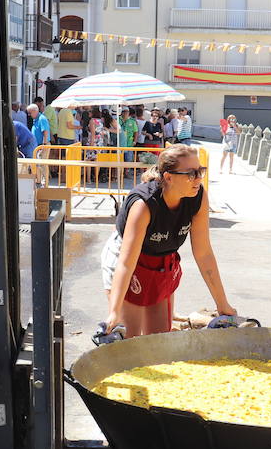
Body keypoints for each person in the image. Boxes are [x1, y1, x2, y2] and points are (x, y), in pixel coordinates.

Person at [101, 144, 237, 337]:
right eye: (191, 173)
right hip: (129, 259)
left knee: (159, 340)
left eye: (201, 171)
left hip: (162, 262)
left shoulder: (197, 195)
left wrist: (223, 305)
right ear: (169, 177)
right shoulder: (144, 204)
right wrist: (113, 313)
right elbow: (125, 262)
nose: (198, 178)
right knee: (128, 340)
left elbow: (204, 253)